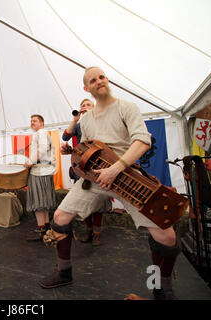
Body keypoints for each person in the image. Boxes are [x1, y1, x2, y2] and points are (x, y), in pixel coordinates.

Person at [40, 67, 182, 301]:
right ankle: (63, 271)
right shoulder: (85, 120)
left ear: (107, 80)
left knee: (167, 237)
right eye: (93, 80)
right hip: (94, 179)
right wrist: (73, 151)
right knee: (59, 219)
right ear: (87, 88)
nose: (99, 81)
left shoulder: (127, 107)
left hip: (127, 178)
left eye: (102, 77)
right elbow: (88, 148)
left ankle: (161, 287)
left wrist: (116, 169)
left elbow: (143, 141)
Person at [62, 99, 111, 246]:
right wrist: (75, 119)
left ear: (94, 107)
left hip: (99, 165)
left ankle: (97, 234)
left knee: (98, 203)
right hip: (82, 167)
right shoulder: (79, 125)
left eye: (88, 105)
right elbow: (65, 137)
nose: (85, 107)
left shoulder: (101, 122)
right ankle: (89, 231)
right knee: (84, 201)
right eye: (83, 105)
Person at [24, 114, 56, 241]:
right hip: (44, 171)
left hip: (39, 171)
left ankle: (41, 230)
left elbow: (42, 150)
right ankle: (47, 230)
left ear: (42, 123)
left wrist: (31, 162)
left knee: (37, 202)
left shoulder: (41, 132)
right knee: (44, 203)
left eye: (35, 120)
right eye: (31, 120)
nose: (32, 122)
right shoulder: (42, 133)